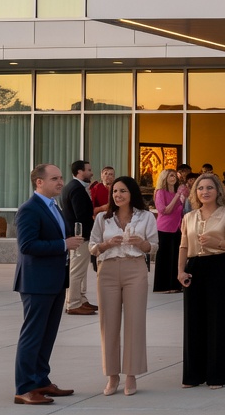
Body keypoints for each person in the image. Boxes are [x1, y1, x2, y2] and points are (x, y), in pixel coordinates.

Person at [13, 164, 83, 405]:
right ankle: (24, 388)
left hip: (55, 281)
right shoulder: (29, 209)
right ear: (39, 182)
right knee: (33, 336)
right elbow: (27, 245)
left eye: (61, 177)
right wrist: (64, 244)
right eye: (54, 178)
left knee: (47, 335)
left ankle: (41, 380)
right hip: (36, 283)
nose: (60, 182)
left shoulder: (55, 206)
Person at [89, 175, 157, 397]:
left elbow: (153, 247)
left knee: (135, 322)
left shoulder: (146, 217)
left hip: (135, 269)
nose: (117, 195)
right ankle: (112, 376)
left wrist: (143, 243)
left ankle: (131, 375)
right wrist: (106, 244)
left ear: (132, 194)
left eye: (123, 191)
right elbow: (92, 247)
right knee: (108, 324)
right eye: (115, 191)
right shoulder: (102, 218)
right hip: (107, 270)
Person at [177, 173, 225, 389]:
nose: (204, 192)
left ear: (218, 191)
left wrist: (218, 241)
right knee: (193, 321)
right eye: (200, 188)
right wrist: (180, 271)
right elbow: (183, 246)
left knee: (218, 321)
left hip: (218, 266)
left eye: (209, 188)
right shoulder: (189, 217)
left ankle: (218, 375)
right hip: (194, 268)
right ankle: (193, 375)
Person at [61, 160, 97, 315]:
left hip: (78, 235)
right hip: (79, 236)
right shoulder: (76, 189)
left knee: (80, 270)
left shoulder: (73, 187)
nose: (91, 172)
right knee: (76, 271)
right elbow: (81, 215)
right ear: (80, 172)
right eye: (88, 170)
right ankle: (74, 303)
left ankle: (81, 299)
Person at [152, 168, 186, 293]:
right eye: (171, 175)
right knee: (164, 257)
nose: (173, 178)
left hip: (177, 227)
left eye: (174, 176)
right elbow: (164, 210)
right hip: (164, 228)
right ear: (165, 178)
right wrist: (177, 196)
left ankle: (175, 285)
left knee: (175, 256)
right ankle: (162, 286)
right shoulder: (160, 192)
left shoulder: (178, 193)